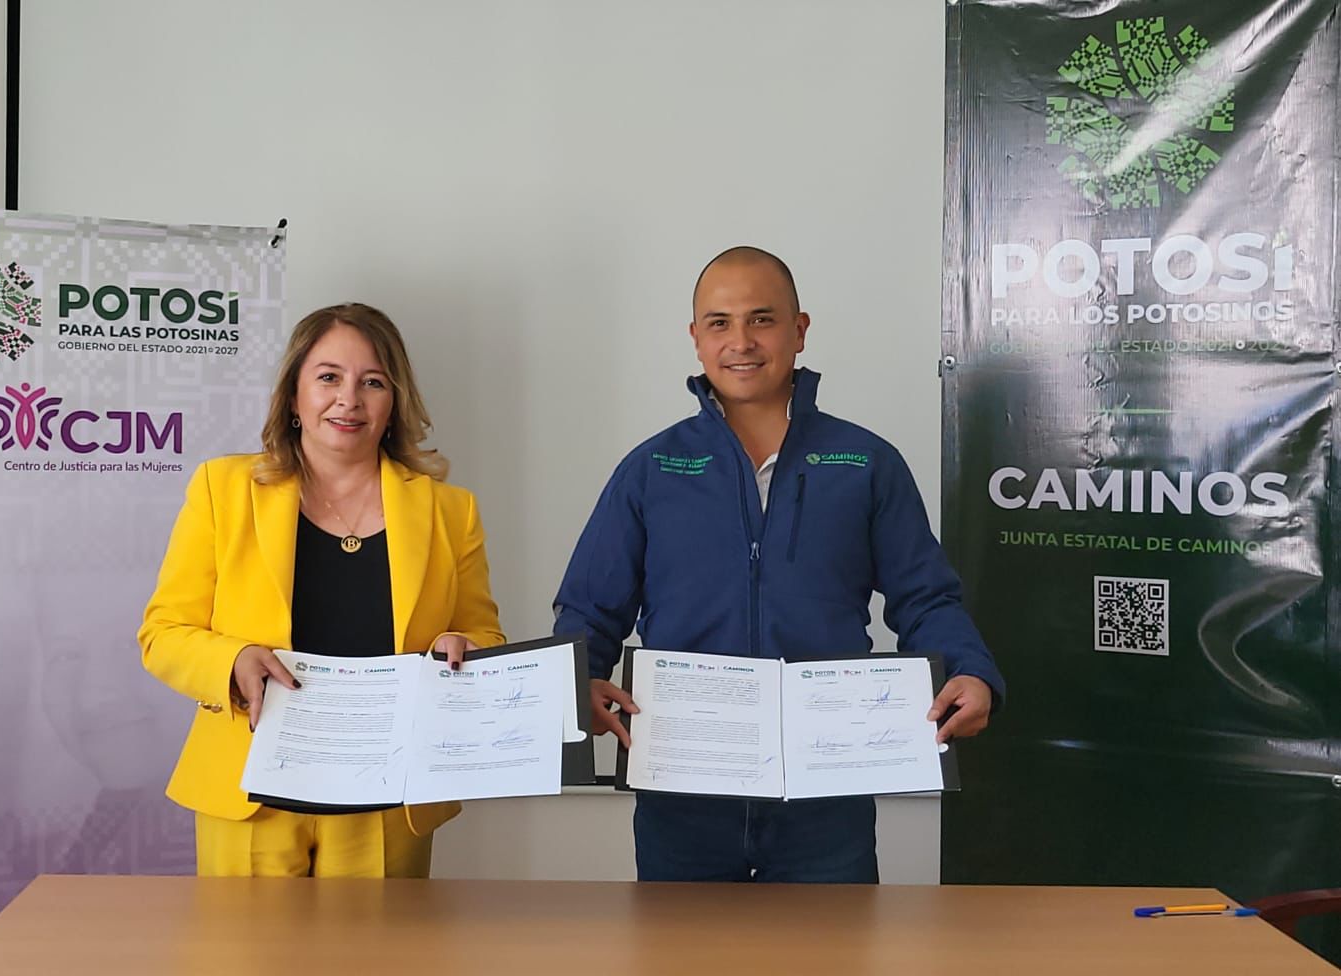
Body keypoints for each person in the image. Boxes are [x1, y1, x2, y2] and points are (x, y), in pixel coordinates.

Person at [552, 247, 1004, 883]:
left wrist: (969, 670)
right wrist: (581, 680)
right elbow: (589, 607)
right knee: (681, 952)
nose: (741, 341)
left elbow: (925, 598)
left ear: (799, 330)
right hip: (683, 788)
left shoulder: (865, 463)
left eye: (761, 319)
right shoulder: (651, 469)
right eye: (720, 323)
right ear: (696, 338)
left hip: (826, 795)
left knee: (829, 952)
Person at [139, 303, 504, 878]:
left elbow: (483, 634)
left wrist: (466, 650)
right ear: (293, 395)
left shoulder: (450, 511)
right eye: (329, 377)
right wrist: (232, 659)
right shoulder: (222, 488)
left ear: (395, 401)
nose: (348, 399)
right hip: (250, 795)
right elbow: (162, 634)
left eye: (373, 382)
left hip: (388, 801)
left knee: (381, 945)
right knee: (241, 945)